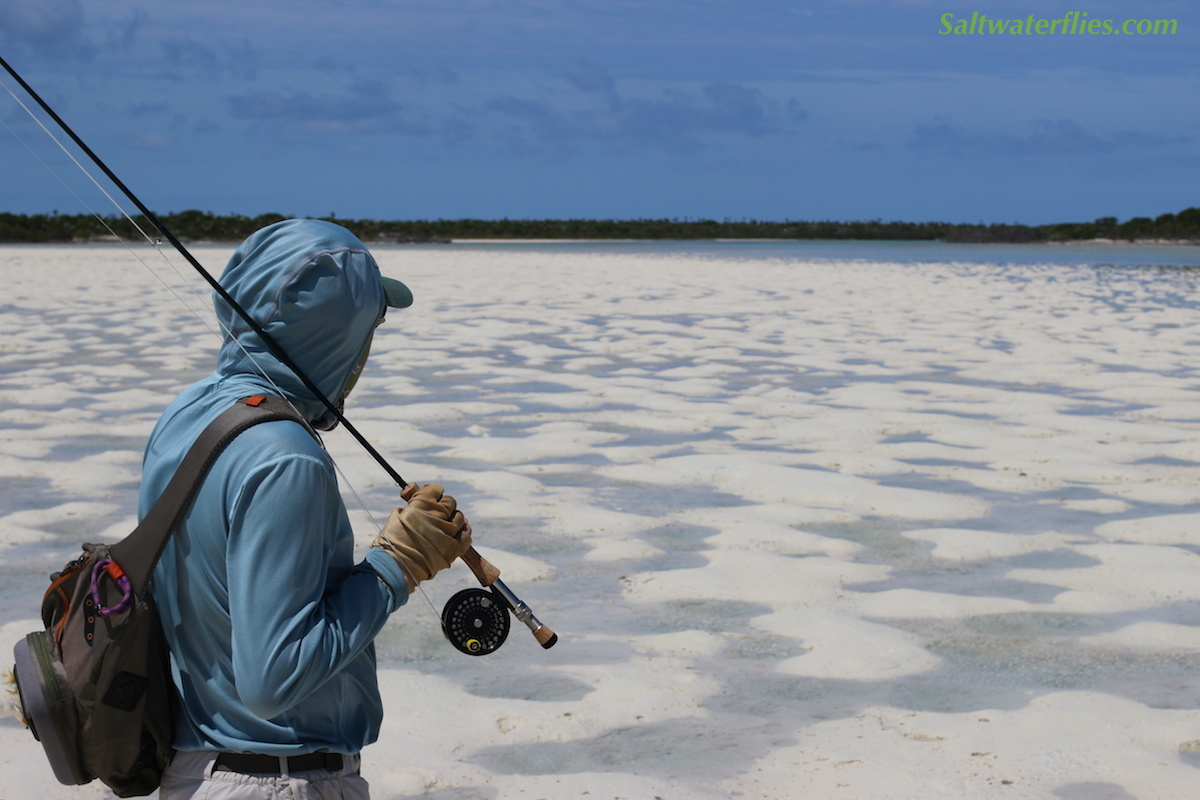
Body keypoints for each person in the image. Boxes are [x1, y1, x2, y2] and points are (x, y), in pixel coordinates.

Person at [138, 218, 472, 799]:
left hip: (195, 775)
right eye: (370, 326)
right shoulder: (288, 461)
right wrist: (399, 565)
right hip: (275, 782)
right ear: (337, 334)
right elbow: (274, 678)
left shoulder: (187, 413)